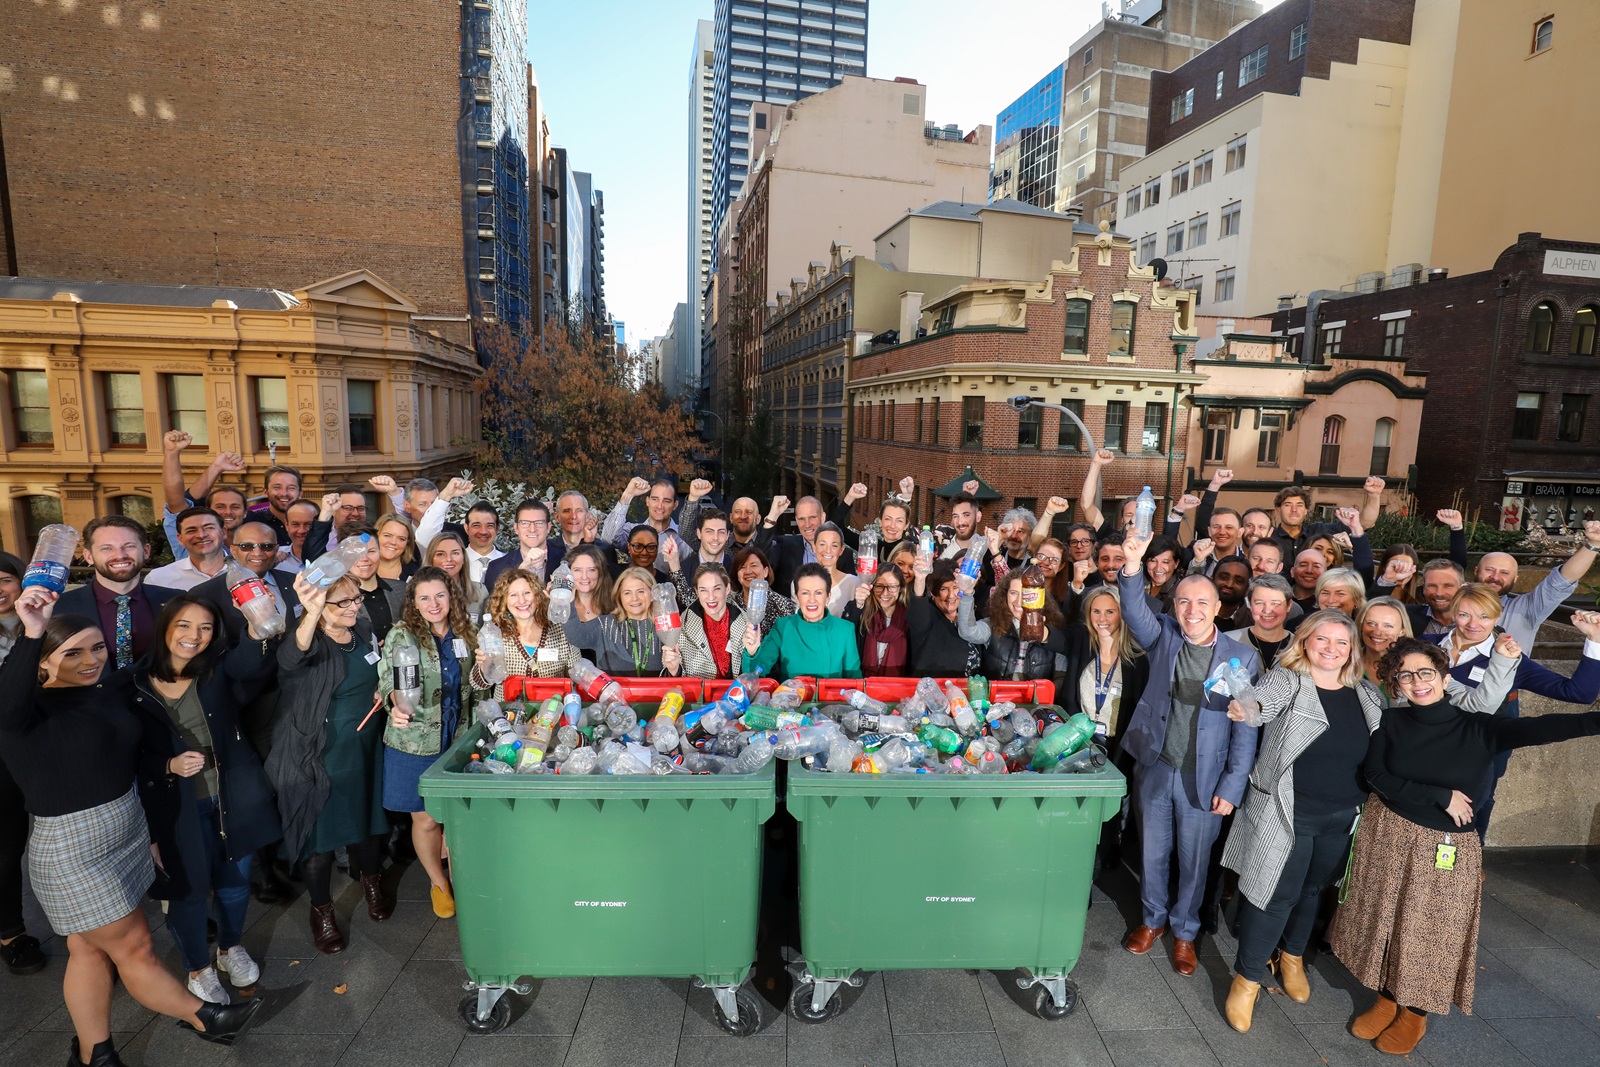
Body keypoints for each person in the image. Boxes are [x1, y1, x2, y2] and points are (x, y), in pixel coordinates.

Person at [0, 588, 264, 1062]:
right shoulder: (22, 712)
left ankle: (94, 1054)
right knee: (137, 945)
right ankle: (206, 1017)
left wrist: (156, 815)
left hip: (126, 830)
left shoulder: (107, 690)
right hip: (72, 849)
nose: (90, 660)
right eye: (72, 652)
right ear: (41, 661)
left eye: (97, 647)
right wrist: (33, 630)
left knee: (87, 951)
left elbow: (140, 746)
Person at [1330, 637, 1600, 1055]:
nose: (1417, 682)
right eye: (1406, 675)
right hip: (1389, 834)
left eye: (1426, 672)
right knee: (1387, 917)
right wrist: (1440, 796)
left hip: (1446, 846)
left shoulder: (1480, 727)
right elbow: (1376, 777)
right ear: (1396, 683)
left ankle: (1415, 1013)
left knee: (1433, 929)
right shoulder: (1391, 722)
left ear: (1443, 676)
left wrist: (1595, 721)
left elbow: (1548, 726)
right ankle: (1387, 996)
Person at [1217, 612, 1385, 1032]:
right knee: (1273, 893)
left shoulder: (1366, 694)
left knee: (1311, 889)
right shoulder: (1287, 680)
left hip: (1343, 813)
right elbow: (1260, 704)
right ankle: (1248, 979)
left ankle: (1292, 957)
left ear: (1352, 650)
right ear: (1305, 642)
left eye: (1341, 642)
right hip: (1287, 812)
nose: (1331, 648)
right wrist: (1245, 708)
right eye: (1322, 639)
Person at [1116, 529, 1260, 977]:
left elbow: (1246, 726)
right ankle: (1152, 920)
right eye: (1183, 602)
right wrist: (1132, 567)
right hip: (1158, 766)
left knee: (1196, 861)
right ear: (1174, 606)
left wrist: (1233, 786)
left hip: (1206, 778)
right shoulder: (1164, 636)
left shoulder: (1241, 658)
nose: (1191, 611)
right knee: (1152, 854)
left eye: (1201, 603)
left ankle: (1185, 931)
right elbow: (1135, 612)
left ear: (1219, 608)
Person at [132, 596, 280, 1005]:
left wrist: (257, 622)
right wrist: (166, 765)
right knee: (189, 892)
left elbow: (251, 660)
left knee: (234, 885)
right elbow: (120, 755)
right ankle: (198, 969)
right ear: (165, 627)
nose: (194, 636)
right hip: (176, 806)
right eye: (184, 625)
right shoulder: (131, 684)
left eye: (205, 628)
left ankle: (231, 947)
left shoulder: (217, 672)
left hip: (232, 795)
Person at [267, 574, 390, 955]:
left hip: (366, 746)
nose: (356, 606)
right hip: (318, 752)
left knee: (368, 823)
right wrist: (312, 614)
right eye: (345, 602)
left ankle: (371, 882)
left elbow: (377, 668)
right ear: (319, 607)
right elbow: (289, 660)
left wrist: (381, 689)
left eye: (357, 598)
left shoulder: (363, 630)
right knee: (317, 837)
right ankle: (321, 910)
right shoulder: (307, 640)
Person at [1424, 586, 1600, 838]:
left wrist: (1595, 640)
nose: (1474, 624)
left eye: (1484, 616)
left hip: (1479, 755)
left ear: (1498, 617)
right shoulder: (1425, 645)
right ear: (1453, 613)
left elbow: (1579, 693)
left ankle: (1473, 862)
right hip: (1427, 747)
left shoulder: (1510, 659)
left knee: (1477, 807)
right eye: (1465, 615)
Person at [378, 568, 484, 921]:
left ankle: (463, 882)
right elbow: (386, 682)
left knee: (457, 820)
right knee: (424, 820)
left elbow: (480, 685)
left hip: (458, 738)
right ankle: (439, 884)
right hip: (415, 740)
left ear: (451, 596)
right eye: (424, 597)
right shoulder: (402, 636)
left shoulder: (468, 632)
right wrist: (395, 705)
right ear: (413, 603)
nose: (433, 604)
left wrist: (487, 669)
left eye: (440, 595)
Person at [57, 516, 182, 670]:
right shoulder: (59, 608)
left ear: (146, 551)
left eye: (129, 546)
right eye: (107, 548)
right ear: (89, 556)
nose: (120, 555)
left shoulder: (178, 601)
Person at [0, 552, 44, 979]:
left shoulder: (50, 616)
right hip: (2, 754)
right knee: (6, 847)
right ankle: (11, 933)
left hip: (49, 744)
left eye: (4, 579)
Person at [1059, 584, 1149, 782]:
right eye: (1096, 611)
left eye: (1110, 612)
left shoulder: (1138, 660)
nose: (1102, 619)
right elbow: (1051, 638)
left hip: (1117, 751)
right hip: (1078, 745)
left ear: (1122, 614)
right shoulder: (1081, 643)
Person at [1471, 518, 1599, 650]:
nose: (1495, 577)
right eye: (1489, 570)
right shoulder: (1456, 602)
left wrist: (1593, 544)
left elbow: (1561, 581)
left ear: (1515, 579)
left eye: (1504, 573)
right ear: (1476, 571)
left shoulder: (1527, 608)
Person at [472, 569, 582, 697]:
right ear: (504, 601)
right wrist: (485, 666)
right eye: (513, 595)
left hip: (553, 711)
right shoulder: (495, 634)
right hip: (508, 713)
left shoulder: (561, 630)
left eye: (527, 593)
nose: (522, 600)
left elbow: (578, 676)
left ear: (538, 595)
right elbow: (477, 685)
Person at [190, 521, 301, 648]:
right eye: (247, 546)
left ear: (276, 550)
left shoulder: (295, 582)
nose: (257, 553)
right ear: (234, 550)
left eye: (266, 546)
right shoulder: (205, 594)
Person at [741, 563, 862, 678]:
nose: (812, 600)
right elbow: (757, 672)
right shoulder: (783, 626)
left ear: (828, 597)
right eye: (805, 593)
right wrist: (752, 653)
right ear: (797, 597)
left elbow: (854, 679)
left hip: (832, 699)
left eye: (818, 593)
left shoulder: (845, 629)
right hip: (792, 698)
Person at [562, 567, 683, 677]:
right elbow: (577, 637)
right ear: (619, 597)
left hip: (657, 699)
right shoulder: (605, 624)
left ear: (653, 595)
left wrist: (674, 670)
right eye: (627, 593)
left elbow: (678, 678)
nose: (634, 598)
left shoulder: (666, 626)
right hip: (613, 699)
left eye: (641, 591)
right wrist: (567, 602)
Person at [957, 571, 1067, 683]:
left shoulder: (1052, 627)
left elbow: (1061, 674)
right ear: (1005, 595)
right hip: (997, 698)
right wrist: (967, 593)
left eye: (1025, 594)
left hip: (1037, 699)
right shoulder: (994, 624)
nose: (1019, 601)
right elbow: (968, 632)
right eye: (1014, 593)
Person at [907, 559, 981, 678]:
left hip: (970, 692)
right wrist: (920, 580)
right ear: (933, 592)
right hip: (935, 692)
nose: (951, 595)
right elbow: (918, 608)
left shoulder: (972, 616)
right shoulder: (927, 617)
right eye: (944, 589)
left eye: (955, 587)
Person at [602, 476, 691, 573]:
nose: (660, 505)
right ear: (647, 501)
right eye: (655, 499)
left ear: (675, 505)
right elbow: (607, 537)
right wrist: (627, 495)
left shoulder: (684, 537)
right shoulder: (633, 531)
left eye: (666, 501)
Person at [679, 563, 751, 680]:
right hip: (698, 695)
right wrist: (674, 669)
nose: (711, 597)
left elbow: (755, 675)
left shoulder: (746, 623)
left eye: (717, 589)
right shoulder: (684, 625)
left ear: (727, 588)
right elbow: (679, 677)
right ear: (697, 592)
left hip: (736, 694)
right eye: (704, 590)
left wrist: (752, 654)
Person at [483, 498, 565, 590]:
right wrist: (520, 571)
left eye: (539, 523)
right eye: (525, 523)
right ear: (516, 528)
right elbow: (494, 603)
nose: (532, 529)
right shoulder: (496, 568)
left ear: (548, 527)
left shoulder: (566, 560)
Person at [843, 564, 910, 677]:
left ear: (901, 588)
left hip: (898, 688)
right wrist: (857, 604)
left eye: (892, 587)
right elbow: (845, 635)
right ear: (872, 587)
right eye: (879, 586)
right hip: (863, 686)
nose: (885, 593)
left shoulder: (910, 618)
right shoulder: (862, 613)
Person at [148, 507, 232, 591]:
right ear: (180, 539)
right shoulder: (158, 579)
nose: (201, 535)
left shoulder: (244, 570)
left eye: (209, 528)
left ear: (223, 532)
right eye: (191, 531)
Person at [1225, 574, 1295, 669]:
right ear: (1250, 604)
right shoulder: (1227, 641)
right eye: (1259, 603)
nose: (1267, 610)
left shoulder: (1299, 646)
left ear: (1289, 605)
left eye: (1275, 603)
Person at [348, 526, 403, 643]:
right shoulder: (337, 601)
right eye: (356, 553)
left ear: (380, 551)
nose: (364, 558)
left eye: (371, 551)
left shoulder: (403, 589)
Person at [424, 531, 487, 624]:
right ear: (430, 559)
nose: (449, 559)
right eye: (441, 554)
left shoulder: (480, 592)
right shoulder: (418, 592)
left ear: (463, 558)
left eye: (455, 553)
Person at [731, 546, 797, 625]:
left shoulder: (783, 605)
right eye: (742, 567)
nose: (748, 572)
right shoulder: (731, 604)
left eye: (754, 565)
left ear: (765, 571)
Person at [806, 523, 859, 617]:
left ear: (841, 550)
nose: (828, 550)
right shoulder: (800, 583)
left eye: (834, 545)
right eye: (822, 544)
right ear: (814, 547)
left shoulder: (853, 583)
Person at [1410, 559, 1463, 636]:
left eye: (1448, 586)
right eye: (1432, 586)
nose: (1439, 593)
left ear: (1462, 588)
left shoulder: (1477, 622)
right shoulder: (1408, 615)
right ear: (1423, 588)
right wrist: (1389, 579)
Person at [564, 544, 616, 624]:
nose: (584, 577)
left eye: (591, 570)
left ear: (600, 572)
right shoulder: (559, 606)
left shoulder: (615, 605)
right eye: (577, 570)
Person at [461, 502, 504, 586]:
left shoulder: (509, 562)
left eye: (489, 525)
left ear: (497, 529)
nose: (483, 531)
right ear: (466, 528)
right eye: (476, 525)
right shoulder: (456, 563)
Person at [373, 512, 419, 584]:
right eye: (387, 535)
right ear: (376, 536)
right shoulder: (358, 569)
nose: (393, 542)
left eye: (401, 539)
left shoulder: (416, 576)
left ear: (407, 543)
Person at [279, 498, 321, 573]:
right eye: (295, 524)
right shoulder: (273, 559)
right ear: (287, 525)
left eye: (309, 524)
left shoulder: (332, 559)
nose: (301, 530)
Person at [1288, 549, 1326, 616]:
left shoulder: (1328, 604)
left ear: (1325, 574)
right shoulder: (1280, 597)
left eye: (1316, 566)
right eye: (1303, 565)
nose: (1309, 571)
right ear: (1292, 572)